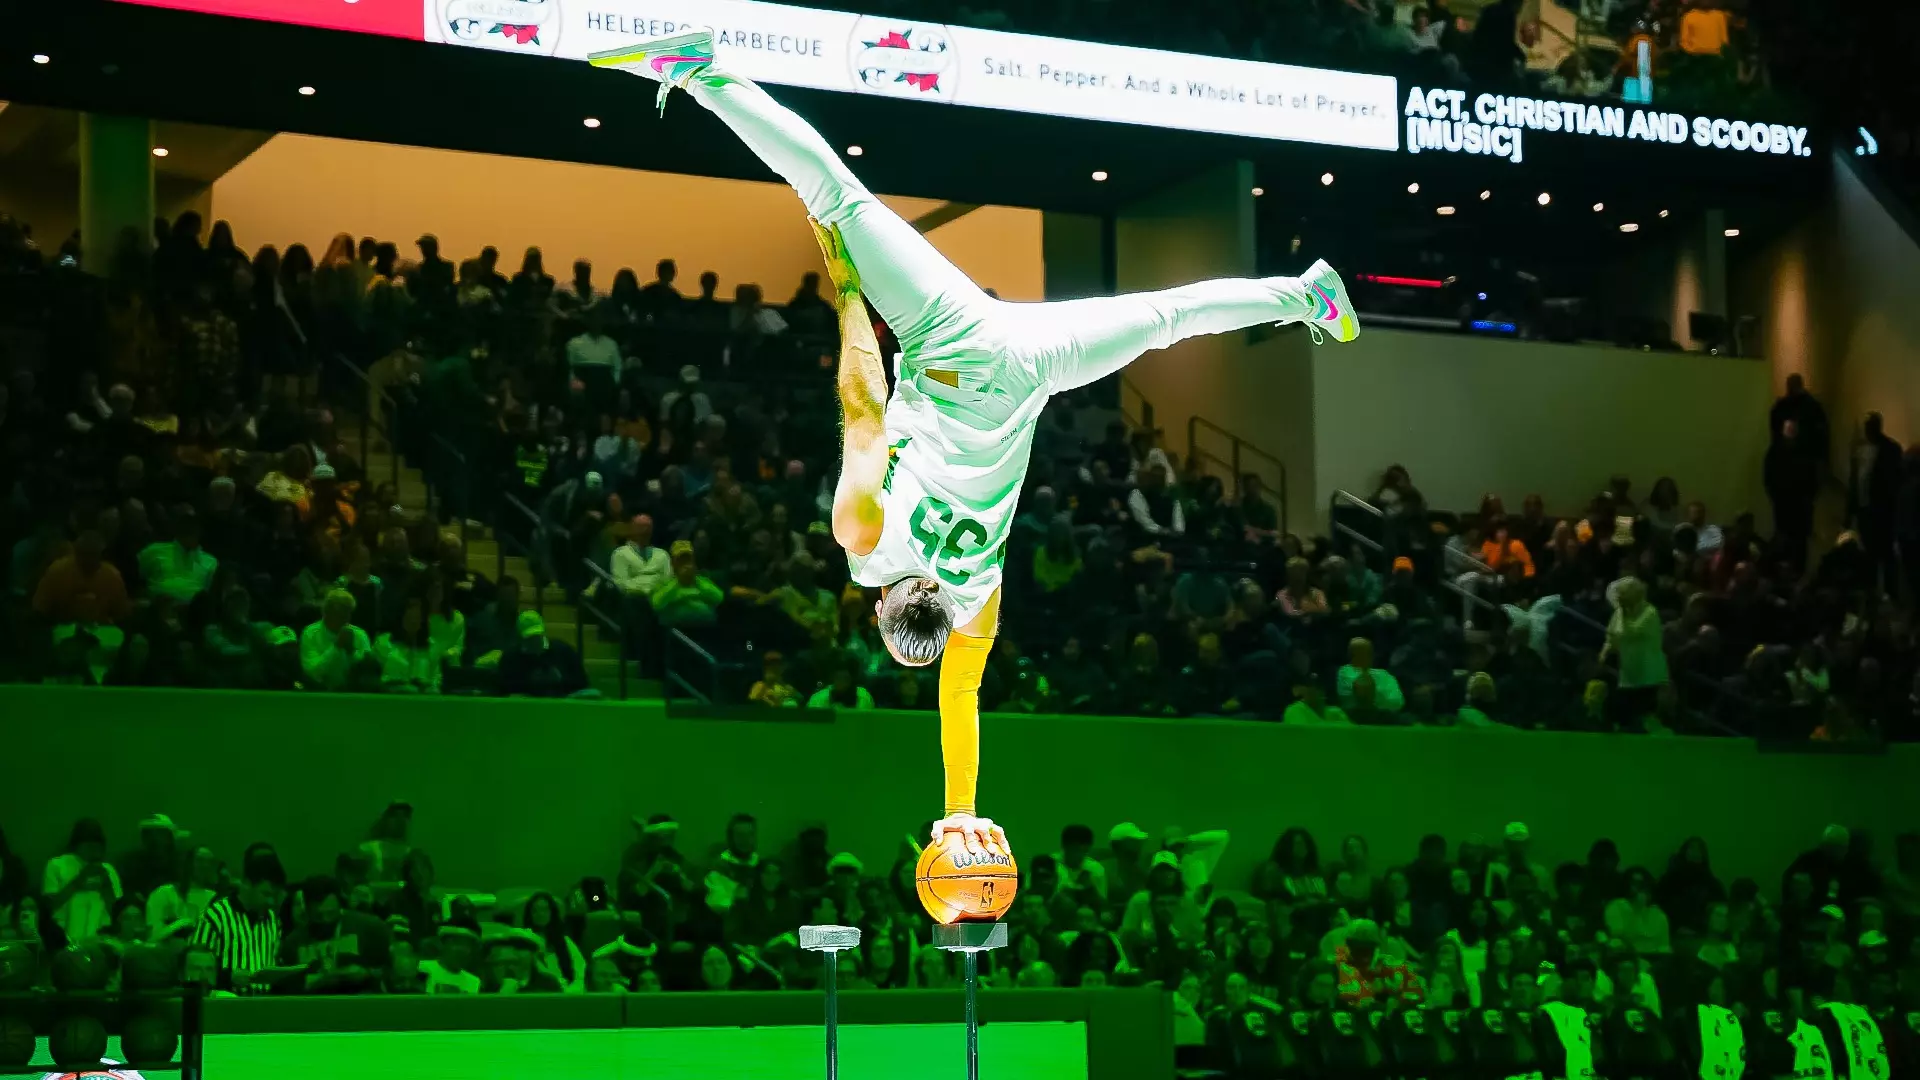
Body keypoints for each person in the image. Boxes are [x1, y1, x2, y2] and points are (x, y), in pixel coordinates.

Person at [593, 29, 1358, 858]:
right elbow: (862, 405)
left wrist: (961, 809)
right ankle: (703, 72)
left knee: (1166, 319)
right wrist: (847, 294)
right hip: (947, 338)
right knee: (835, 196)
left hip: (1031, 367)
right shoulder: (862, 540)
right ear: (882, 609)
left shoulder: (978, 597)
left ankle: (1306, 296)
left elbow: (961, 699)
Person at [191, 847, 287, 993]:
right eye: (266, 894)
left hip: (265, 1001)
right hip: (226, 1000)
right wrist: (228, 977)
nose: (271, 901)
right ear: (247, 884)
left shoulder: (273, 920)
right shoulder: (216, 915)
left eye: (275, 896)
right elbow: (193, 965)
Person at [44, 819, 122, 943]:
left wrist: (106, 885)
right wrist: (79, 881)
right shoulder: (57, 865)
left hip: (101, 937)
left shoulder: (108, 869)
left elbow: (117, 912)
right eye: (89, 846)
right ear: (76, 845)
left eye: (97, 846)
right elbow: (48, 906)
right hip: (63, 936)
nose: (93, 850)